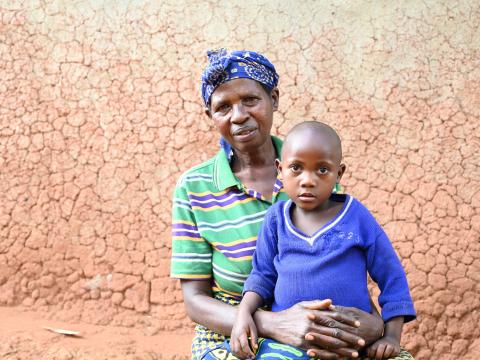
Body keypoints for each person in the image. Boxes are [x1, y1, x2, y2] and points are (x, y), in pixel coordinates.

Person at [170, 49, 414, 360]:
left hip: (324, 323)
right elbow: (194, 301)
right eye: (223, 107)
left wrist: (373, 326)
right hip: (234, 330)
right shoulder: (194, 187)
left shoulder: (312, 161)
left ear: (274, 98)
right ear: (210, 117)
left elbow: (342, 261)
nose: (239, 115)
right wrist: (272, 323)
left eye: (250, 100)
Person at [230, 121, 416, 360]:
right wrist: (243, 313)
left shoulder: (356, 217)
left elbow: (391, 275)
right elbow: (262, 275)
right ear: (280, 169)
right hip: (289, 343)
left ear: (339, 173)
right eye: (296, 168)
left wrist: (391, 335)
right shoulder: (276, 220)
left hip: (353, 342)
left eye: (322, 170)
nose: (308, 180)